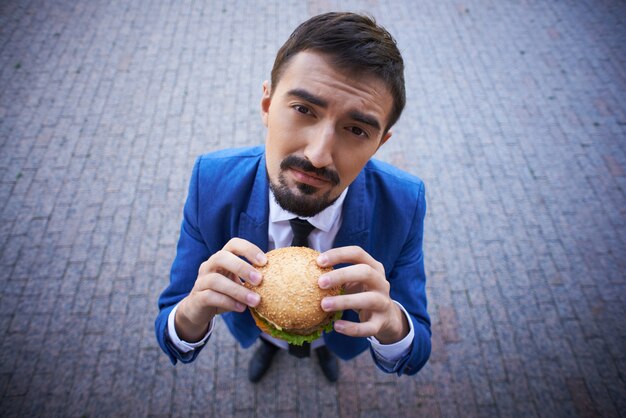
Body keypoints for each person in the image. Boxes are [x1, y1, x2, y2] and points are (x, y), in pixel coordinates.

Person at [155, 12, 431, 383]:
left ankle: (324, 354)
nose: (318, 156)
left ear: (380, 143)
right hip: (254, 324)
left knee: (328, 346)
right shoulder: (211, 180)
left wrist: (394, 325)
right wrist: (190, 313)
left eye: (356, 129)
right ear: (267, 105)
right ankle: (269, 346)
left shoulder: (405, 202)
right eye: (303, 110)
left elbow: (416, 349)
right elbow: (171, 321)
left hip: (341, 338)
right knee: (267, 338)